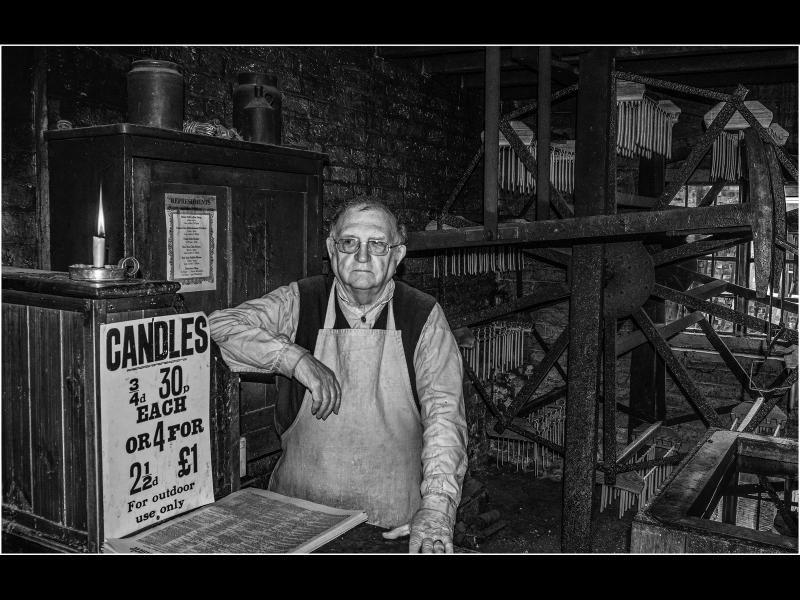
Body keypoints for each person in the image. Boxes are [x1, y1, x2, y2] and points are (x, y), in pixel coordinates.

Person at [209, 197, 468, 553]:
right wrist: (294, 358)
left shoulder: (423, 316)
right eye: (349, 242)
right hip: (295, 518)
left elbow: (445, 417)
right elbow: (216, 329)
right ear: (332, 249)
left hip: (388, 526)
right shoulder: (301, 301)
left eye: (377, 244)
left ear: (397, 255)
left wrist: (438, 507)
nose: (362, 256)